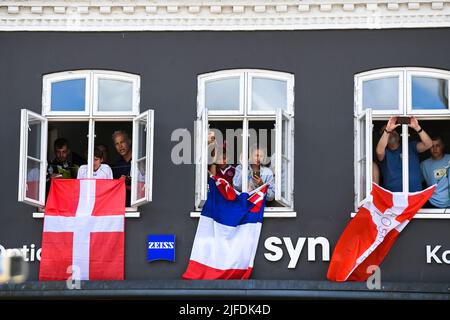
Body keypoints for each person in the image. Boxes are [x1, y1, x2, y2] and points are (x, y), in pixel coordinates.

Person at [376, 116, 432, 192]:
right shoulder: (385, 153)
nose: (391, 133)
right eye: (386, 132)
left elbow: (428, 144)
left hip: (415, 195)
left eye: (393, 130)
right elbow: (379, 152)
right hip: (393, 198)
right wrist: (387, 130)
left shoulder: (410, 146)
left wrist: (417, 128)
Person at [420, 136, 450, 208]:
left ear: (442, 146)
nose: (435, 149)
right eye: (432, 146)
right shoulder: (424, 164)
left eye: (438, 145)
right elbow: (416, 185)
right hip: (431, 202)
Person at [111, 130, 132, 206]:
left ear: (129, 142)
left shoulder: (139, 161)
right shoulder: (115, 166)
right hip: (123, 207)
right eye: (117, 144)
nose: (120, 146)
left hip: (138, 207)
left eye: (122, 142)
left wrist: (123, 184)